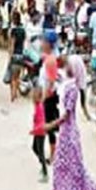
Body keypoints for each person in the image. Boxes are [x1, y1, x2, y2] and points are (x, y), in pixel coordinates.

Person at [42, 55, 96, 190]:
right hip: (67, 133)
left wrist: (50, 125)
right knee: (60, 166)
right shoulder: (68, 85)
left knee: (76, 169)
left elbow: (66, 115)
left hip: (69, 135)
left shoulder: (71, 89)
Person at [41, 30, 60, 160]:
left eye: (44, 41)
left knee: (50, 126)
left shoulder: (51, 60)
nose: (41, 43)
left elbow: (51, 82)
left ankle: (54, 154)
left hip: (51, 97)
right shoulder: (49, 58)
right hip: (52, 96)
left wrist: (44, 97)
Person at [6, 11, 26, 102]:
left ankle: (13, 95)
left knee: (12, 78)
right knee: (17, 77)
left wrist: (10, 57)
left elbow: (12, 45)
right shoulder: (23, 30)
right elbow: (24, 42)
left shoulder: (13, 31)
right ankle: (16, 93)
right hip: (21, 55)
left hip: (15, 56)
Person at [30, 87, 48, 183]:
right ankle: (43, 162)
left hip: (40, 133)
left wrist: (34, 130)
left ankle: (45, 172)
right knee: (34, 148)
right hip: (38, 132)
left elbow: (41, 123)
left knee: (40, 151)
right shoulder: (38, 106)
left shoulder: (39, 107)